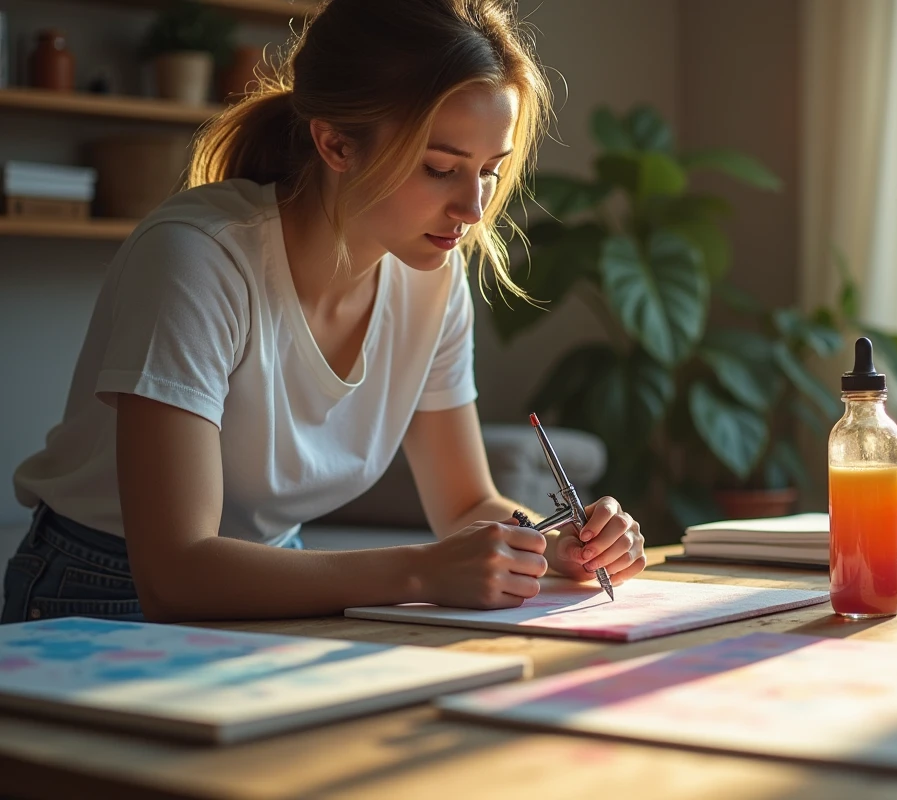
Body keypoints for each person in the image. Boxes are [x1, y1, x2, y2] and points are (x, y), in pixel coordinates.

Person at [2, 0, 645, 625]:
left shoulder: (433, 278)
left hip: (279, 579)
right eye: (441, 168)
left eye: (488, 171)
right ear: (336, 144)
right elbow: (174, 574)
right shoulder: (198, 260)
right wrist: (421, 571)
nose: (473, 210)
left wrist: (551, 545)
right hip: (102, 591)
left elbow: (467, 503)